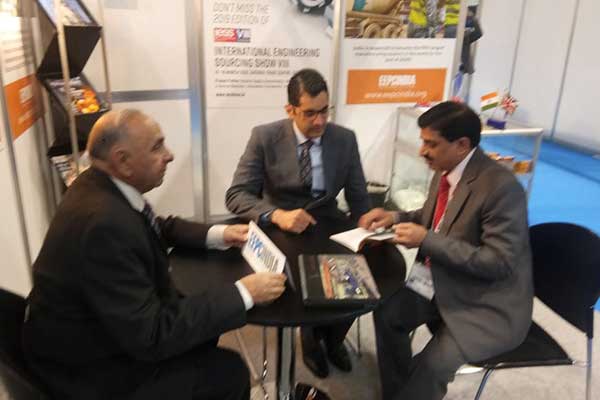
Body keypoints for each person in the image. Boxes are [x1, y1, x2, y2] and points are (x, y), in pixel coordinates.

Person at [22, 109, 287, 400]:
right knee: (229, 371)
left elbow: (154, 225)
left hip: (96, 336)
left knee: (204, 324)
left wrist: (218, 234)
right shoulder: (103, 225)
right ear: (123, 161)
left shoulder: (96, 186)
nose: (169, 155)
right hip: (90, 371)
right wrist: (244, 293)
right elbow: (152, 335)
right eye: (157, 147)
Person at [359, 101, 533, 400]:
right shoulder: (446, 170)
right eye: (423, 142)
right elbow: (435, 217)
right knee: (387, 313)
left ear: (462, 145)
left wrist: (426, 240)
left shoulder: (502, 188)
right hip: (440, 279)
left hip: (485, 303)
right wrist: (394, 217)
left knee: (431, 366)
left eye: (431, 144)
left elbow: (498, 262)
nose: (422, 151)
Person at [226, 68, 371, 378]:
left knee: (359, 281)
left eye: (324, 111)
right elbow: (237, 195)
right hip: (281, 228)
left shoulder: (344, 139)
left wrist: (367, 227)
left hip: (328, 223)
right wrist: (277, 215)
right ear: (290, 110)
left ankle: (332, 337)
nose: (319, 121)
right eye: (310, 113)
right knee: (298, 287)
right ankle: (310, 337)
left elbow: (359, 197)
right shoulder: (265, 137)